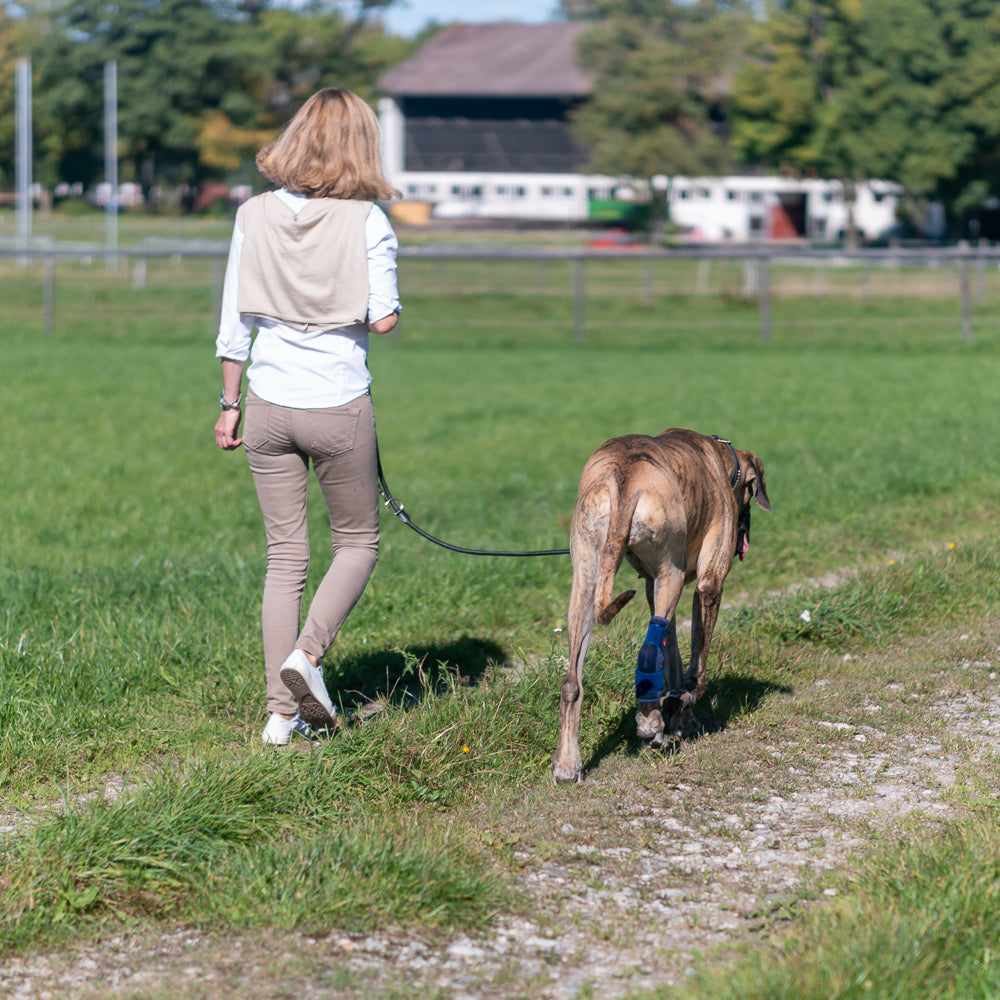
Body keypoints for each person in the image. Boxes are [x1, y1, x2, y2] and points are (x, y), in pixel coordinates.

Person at [214, 88, 401, 745]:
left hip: (266, 402)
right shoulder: (368, 221)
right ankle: (308, 656)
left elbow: (235, 317)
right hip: (338, 404)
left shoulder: (253, 214)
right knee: (357, 543)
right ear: (360, 146)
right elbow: (381, 315)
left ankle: (279, 715)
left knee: (284, 557)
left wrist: (228, 403)